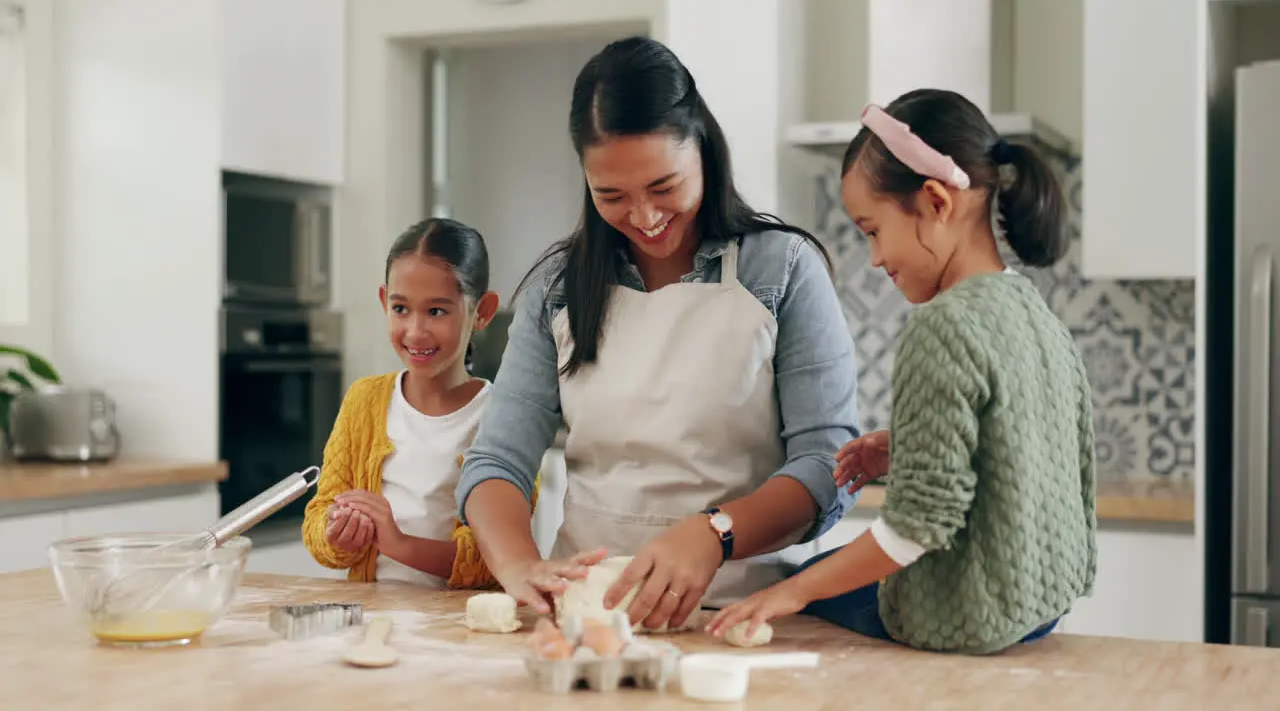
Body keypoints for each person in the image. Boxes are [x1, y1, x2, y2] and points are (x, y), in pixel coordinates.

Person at [455, 36, 860, 632]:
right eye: (611, 195)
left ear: (703, 147)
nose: (644, 217)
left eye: (664, 187)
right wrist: (518, 566)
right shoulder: (556, 287)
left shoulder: (784, 269)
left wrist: (715, 533)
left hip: (747, 616)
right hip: (592, 616)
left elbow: (829, 464)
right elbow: (496, 461)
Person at [707, 89, 1098, 655]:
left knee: (793, 589)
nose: (875, 258)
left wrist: (789, 594)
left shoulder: (944, 325)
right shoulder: (1031, 310)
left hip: (966, 609)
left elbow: (919, 527)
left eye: (872, 230)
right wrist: (909, 452)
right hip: (1037, 606)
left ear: (938, 202)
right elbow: (1029, 445)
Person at [302, 218, 538, 587]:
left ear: (483, 311)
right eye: (400, 309)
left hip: (457, 630)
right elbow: (319, 517)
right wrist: (337, 532)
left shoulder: (505, 417)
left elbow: (493, 560)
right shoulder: (365, 400)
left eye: (437, 311)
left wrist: (397, 543)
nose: (415, 331)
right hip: (370, 622)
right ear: (384, 302)